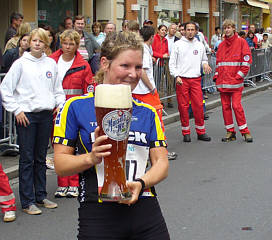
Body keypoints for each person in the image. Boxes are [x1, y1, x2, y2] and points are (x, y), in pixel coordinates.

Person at [53, 31, 170, 239]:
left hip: (144, 209)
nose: (133, 74)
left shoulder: (148, 111)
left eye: (138, 67)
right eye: (125, 66)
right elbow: (61, 165)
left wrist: (141, 183)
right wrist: (90, 158)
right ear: (105, 63)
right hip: (98, 213)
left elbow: (161, 163)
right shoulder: (75, 107)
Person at [0, 28, 65, 215]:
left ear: (46, 44)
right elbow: (6, 89)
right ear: (29, 43)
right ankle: (28, 201)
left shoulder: (51, 64)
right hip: (27, 115)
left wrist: (59, 105)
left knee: (40, 158)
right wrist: (17, 110)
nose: (37, 44)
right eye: (34, 40)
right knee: (27, 159)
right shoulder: (21, 64)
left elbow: (57, 89)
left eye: (41, 41)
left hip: (45, 114)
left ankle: (41, 195)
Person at [50, 29, 94, 198]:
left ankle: (74, 183)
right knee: (59, 146)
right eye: (65, 43)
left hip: (75, 111)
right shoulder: (51, 61)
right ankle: (62, 183)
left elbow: (88, 90)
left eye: (71, 44)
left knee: (75, 147)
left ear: (77, 45)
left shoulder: (83, 65)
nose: (67, 47)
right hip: (56, 110)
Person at [169, 21, 212, 142]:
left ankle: (201, 131)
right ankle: (186, 132)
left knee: (198, 105)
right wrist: (176, 76)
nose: (190, 32)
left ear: (196, 31)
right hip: (182, 79)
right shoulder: (178, 45)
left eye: (192, 29)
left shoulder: (199, 45)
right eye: (188, 29)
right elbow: (172, 63)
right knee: (183, 107)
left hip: (196, 79)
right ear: (184, 30)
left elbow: (204, 59)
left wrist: (205, 65)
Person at [214, 19, 253, 142]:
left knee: (236, 106)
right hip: (223, 81)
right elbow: (218, 63)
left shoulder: (241, 42)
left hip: (235, 82)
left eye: (229, 27)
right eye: (225, 28)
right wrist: (216, 76)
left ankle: (245, 131)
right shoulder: (221, 45)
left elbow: (246, 61)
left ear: (234, 28)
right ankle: (230, 132)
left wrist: (239, 76)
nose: (227, 30)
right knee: (225, 107)